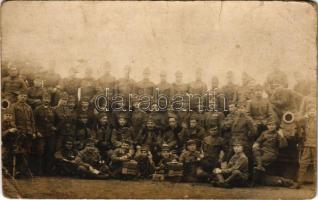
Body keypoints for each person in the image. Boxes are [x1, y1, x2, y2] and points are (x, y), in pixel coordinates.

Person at [251, 119, 287, 185]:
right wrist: (255, 144)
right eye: (269, 125)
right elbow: (258, 141)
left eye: (273, 125)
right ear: (267, 126)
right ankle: (259, 167)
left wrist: (282, 136)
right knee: (254, 150)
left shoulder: (277, 134)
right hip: (263, 150)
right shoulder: (264, 133)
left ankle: (255, 178)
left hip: (271, 153)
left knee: (260, 160)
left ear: (275, 126)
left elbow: (283, 146)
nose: (271, 126)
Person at [34, 93, 57, 175]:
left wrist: (55, 127)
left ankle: (48, 171)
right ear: (42, 99)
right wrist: (37, 131)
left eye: (48, 99)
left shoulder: (53, 109)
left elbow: (57, 120)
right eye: (45, 98)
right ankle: (39, 171)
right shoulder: (37, 109)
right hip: (41, 133)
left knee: (50, 151)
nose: (46, 100)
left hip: (50, 134)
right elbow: (34, 122)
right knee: (40, 151)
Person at [298, 107, 316, 186]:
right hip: (307, 145)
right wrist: (304, 117)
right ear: (308, 112)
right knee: (303, 163)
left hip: (316, 146)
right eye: (310, 111)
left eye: (314, 111)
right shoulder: (305, 121)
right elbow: (297, 122)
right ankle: (299, 183)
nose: (312, 112)